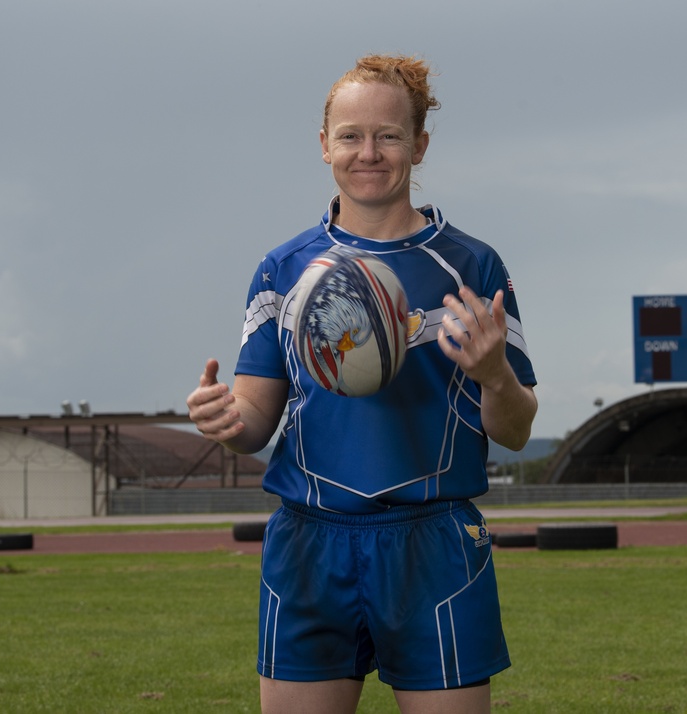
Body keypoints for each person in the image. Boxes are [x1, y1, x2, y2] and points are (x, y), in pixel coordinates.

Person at [186, 55, 538, 714]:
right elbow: (253, 424)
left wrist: (494, 375)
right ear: (324, 145)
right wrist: (223, 421)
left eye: (388, 136)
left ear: (420, 145)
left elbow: (515, 430)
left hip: (433, 543)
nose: (367, 152)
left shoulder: (471, 265)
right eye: (350, 136)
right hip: (309, 543)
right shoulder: (282, 269)